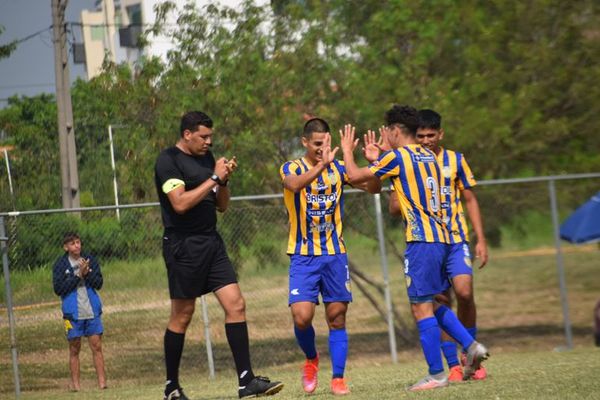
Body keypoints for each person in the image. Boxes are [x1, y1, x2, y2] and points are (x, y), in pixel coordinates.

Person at [340, 104, 489, 391]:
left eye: (389, 133)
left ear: (396, 131)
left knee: (421, 308)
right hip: (446, 239)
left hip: (422, 242)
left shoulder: (399, 156)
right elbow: (387, 185)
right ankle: (470, 346)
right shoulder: (430, 157)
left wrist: (348, 150)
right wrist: (381, 159)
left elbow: (355, 177)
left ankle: (435, 373)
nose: (388, 137)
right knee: (433, 303)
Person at [154, 111, 283, 400]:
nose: (209, 142)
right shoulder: (168, 161)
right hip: (182, 246)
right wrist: (213, 176)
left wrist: (222, 181)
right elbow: (180, 204)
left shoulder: (206, 159)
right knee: (182, 315)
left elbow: (222, 206)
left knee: (236, 304)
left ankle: (246, 381)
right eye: (203, 136)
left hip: (211, 242)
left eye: (211, 136)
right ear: (187, 134)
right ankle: (171, 387)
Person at [279, 117, 379, 396]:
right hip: (303, 255)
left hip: (335, 254)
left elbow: (374, 188)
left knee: (337, 318)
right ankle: (311, 359)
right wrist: (322, 165)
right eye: (317, 145)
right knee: (301, 316)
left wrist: (372, 163)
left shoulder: (338, 169)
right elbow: (294, 185)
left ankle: (338, 378)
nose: (323, 149)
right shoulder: (292, 167)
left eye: (327, 144)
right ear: (305, 143)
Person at [416, 108, 489, 380]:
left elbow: (469, 199)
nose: (425, 140)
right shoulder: (413, 163)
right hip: (428, 241)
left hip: (457, 240)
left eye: (430, 135)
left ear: (440, 133)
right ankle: (454, 366)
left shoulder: (455, 160)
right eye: (420, 136)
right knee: (441, 299)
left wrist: (481, 239)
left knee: (465, 292)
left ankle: (471, 360)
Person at [52, 232, 106, 391]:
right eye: (73, 243)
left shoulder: (89, 260)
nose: (77, 246)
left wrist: (87, 273)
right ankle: (76, 386)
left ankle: (102, 384)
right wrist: (77, 276)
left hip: (91, 310)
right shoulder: (60, 265)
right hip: (72, 313)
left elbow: (99, 283)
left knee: (96, 346)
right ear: (66, 247)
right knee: (74, 348)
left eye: (78, 242)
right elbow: (59, 289)